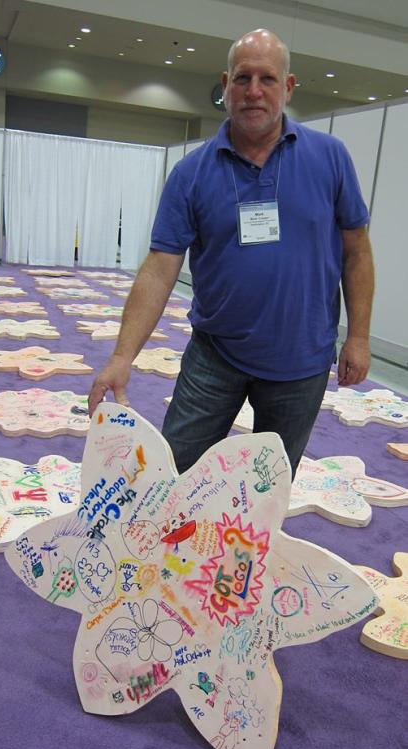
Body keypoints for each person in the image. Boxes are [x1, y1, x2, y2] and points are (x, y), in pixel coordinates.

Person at [88, 28, 374, 479]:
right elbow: (161, 269)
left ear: (289, 86)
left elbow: (356, 252)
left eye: (267, 78)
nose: (254, 91)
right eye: (242, 78)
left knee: (267, 490)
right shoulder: (191, 172)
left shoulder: (330, 158)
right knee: (174, 474)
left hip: (301, 361)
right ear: (226, 84)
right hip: (214, 356)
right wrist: (122, 357)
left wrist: (358, 336)